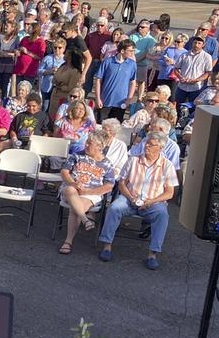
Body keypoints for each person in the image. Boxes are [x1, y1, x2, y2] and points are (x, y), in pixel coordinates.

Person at [98, 131, 178, 270]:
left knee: (162, 215)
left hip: (153, 202)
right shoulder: (133, 160)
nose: (147, 147)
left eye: (151, 145)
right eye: (146, 143)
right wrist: (130, 197)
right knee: (115, 207)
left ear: (160, 148)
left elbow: (169, 193)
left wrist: (152, 201)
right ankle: (106, 246)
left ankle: (153, 254)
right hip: (130, 198)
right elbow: (122, 183)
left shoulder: (167, 165)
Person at [57, 131, 115, 255]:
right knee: (69, 190)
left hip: (91, 195)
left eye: (90, 143)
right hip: (72, 189)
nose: (86, 145)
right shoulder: (77, 156)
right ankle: (85, 219)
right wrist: (73, 183)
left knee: (76, 208)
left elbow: (109, 186)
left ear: (100, 147)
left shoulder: (107, 164)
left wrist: (89, 191)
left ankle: (68, 241)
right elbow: (64, 172)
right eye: (87, 142)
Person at [93, 39, 137, 121]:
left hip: (121, 102)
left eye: (133, 51)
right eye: (130, 51)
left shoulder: (132, 64)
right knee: (100, 127)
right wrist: (97, 98)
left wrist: (129, 99)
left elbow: (133, 82)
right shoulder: (107, 62)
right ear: (122, 50)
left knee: (115, 129)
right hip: (105, 101)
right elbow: (99, 80)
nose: (132, 53)